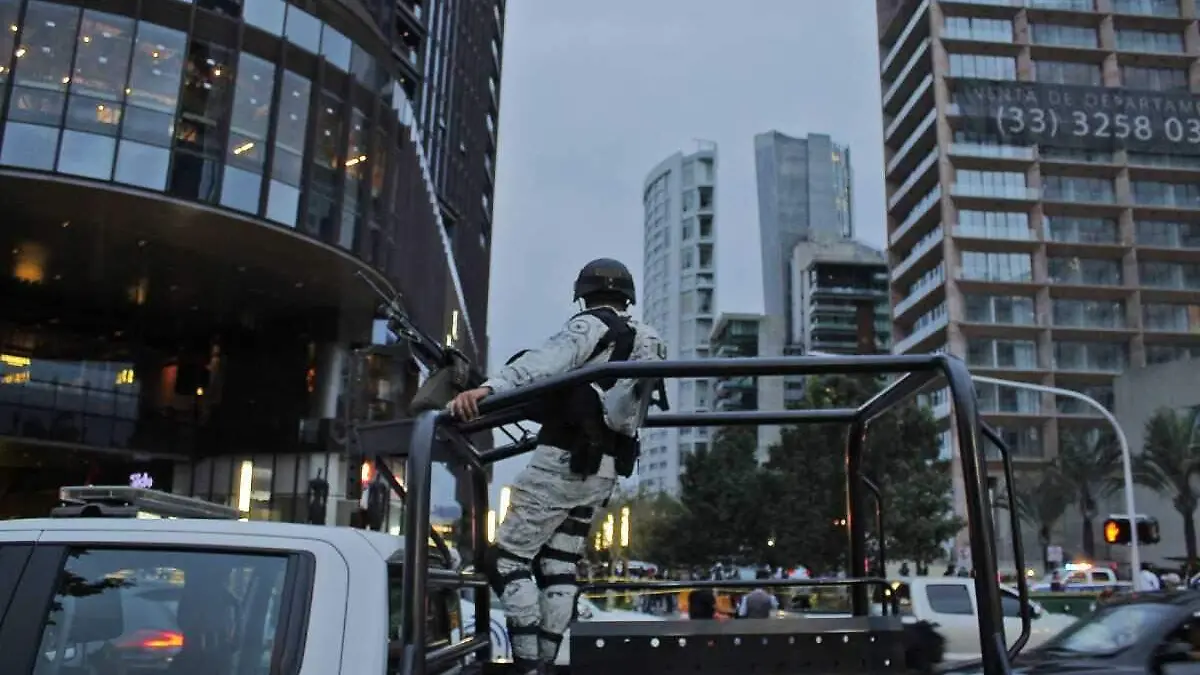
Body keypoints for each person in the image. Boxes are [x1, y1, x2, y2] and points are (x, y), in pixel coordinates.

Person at [448, 258, 666, 675]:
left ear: (583, 295)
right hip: (605, 468)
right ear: (628, 296)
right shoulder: (649, 339)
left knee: (507, 561)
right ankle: (547, 662)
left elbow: (542, 364)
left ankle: (528, 665)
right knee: (558, 564)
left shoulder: (589, 327)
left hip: (563, 458)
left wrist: (488, 389)